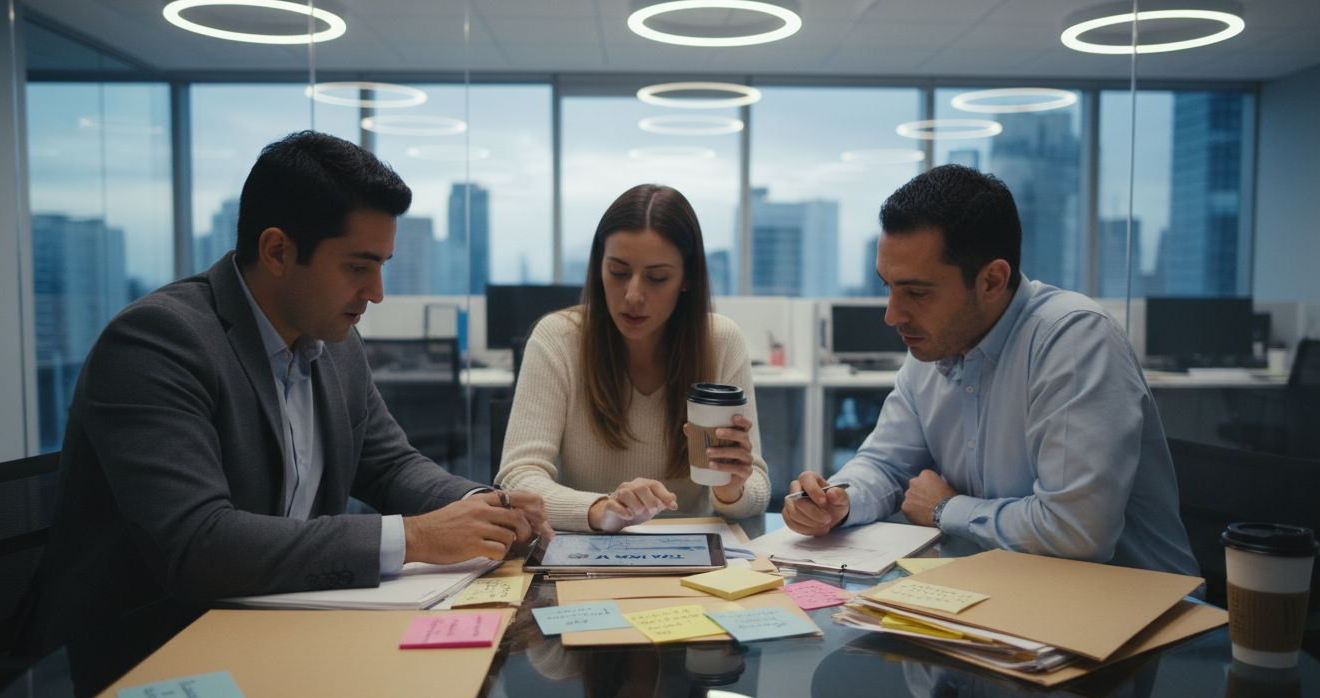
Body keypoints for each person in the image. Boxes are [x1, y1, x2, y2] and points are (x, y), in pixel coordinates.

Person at [31, 131, 551, 651]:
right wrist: (416, 538)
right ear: (277, 250)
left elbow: (390, 465)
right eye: (357, 267)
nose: (376, 293)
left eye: (381, 267)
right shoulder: (158, 342)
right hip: (148, 649)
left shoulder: (333, 339)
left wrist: (482, 505)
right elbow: (197, 545)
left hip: (283, 627)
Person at [783, 165, 1197, 576]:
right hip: (1002, 590)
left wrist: (945, 509)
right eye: (888, 287)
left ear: (992, 280)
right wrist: (840, 499)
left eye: (917, 292)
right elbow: (887, 464)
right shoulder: (934, 347)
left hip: (1130, 610)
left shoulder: (1073, 340)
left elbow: (1077, 533)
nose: (893, 315)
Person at [496, 184, 771, 531]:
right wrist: (601, 509)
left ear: (687, 278)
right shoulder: (558, 339)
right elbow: (517, 478)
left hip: (695, 562)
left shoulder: (720, 341)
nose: (633, 295)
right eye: (618, 272)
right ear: (599, 267)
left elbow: (757, 485)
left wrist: (733, 488)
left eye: (657, 278)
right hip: (589, 553)